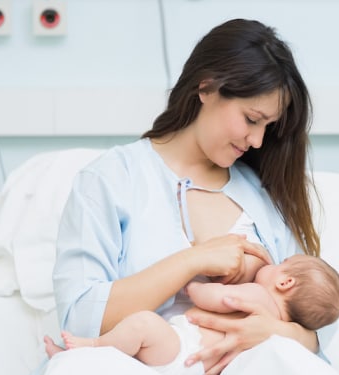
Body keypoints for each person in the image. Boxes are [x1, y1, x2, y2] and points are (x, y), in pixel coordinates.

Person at [50, 18, 323, 375]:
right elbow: (82, 319)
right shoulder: (109, 180)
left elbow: (315, 326)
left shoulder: (263, 198)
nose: (257, 141)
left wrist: (279, 331)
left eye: (268, 127)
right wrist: (192, 261)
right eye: (251, 119)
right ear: (207, 87)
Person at [46, 254, 339, 375]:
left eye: (280, 262)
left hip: (183, 348)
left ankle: (90, 347)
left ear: (285, 282)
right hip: (196, 366)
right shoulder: (278, 325)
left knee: (142, 325)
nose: (273, 263)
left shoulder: (258, 296)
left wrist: (196, 283)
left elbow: (218, 298)